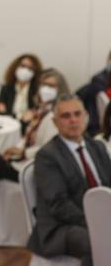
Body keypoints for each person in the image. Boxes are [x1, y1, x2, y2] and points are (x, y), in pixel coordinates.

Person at [0, 68, 70, 239]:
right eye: (44, 84)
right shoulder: (41, 110)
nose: (46, 89)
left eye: (52, 86)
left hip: (32, 169)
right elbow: (29, 137)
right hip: (24, 160)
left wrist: (23, 152)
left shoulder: (55, 116)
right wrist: (15, 149)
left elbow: (49, 148)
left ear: (60, 89)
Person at [28, 94, 111, 266]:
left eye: (77, 114)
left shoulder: (97, 147)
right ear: (55, 122)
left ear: (86, 116)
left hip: (99, 219)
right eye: (66, 116)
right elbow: (59, 205)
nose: (73, 120)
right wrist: (97, 223)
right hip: (62, 227)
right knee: (97, 243)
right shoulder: (47, 156)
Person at [0, 54, 43, 121]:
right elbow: (0, 108)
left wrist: (34, 113)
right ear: (15, 67)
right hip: (9, 123)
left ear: (35, 72)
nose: (25, 70)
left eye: (30, 68)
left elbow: (38, 110)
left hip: (27, 127)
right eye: (23, 66)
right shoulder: (6, 88)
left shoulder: (37, 91)